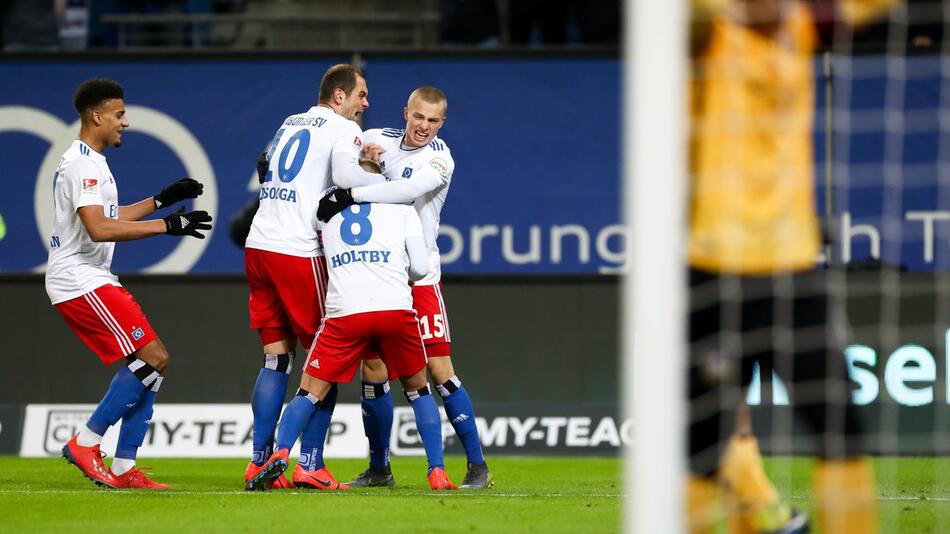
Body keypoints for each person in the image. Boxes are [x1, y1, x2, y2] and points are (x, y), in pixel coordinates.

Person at [686, 1, 897, 532]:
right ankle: (749, 509)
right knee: (701, 447)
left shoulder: (799, 28)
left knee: (841, 429)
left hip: (793, 272)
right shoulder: (710, 36)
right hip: (714, 270)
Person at [317, 86, 493, 489]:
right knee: (373, 369)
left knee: (439, 370)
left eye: (433, 121)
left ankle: (477, 465)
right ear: (406, 113)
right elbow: (343, 143)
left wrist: (352, 193)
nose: (424, 127)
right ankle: (380, 469)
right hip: (379, 274)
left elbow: (405, 192)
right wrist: (360, 158)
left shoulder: (439, 158)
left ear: (442, 123)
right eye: (418, 118)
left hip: (419, 276)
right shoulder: (381, 137)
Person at [50, 78, 211, 489]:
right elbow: (100, 228)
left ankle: (123, 467)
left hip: (92, 276)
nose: (126, 122)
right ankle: (86, 442)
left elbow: (108, 212)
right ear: (96, 115)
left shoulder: (91, 160)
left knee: (152, 365)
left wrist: (160, 200)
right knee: (154, 357)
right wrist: (167, 225)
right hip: (80, 277)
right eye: (119, 115)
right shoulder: (82, 163)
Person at [247, 177, 457, 492]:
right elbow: (419, 267)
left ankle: (280, 454)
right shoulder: (403, 211)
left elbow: (310, 250)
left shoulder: (325, 211)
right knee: (419, 391)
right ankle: (437, 471)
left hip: (346, 312)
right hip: (394, 308)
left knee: (308, 392)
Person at [242, 63, 384, 490]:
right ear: (338, 96)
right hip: (297, 251)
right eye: (361, 94)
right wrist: (377, 172)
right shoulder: (343, 129)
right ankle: (309, 463)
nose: (366, 103)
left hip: (259, 244)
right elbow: (345, 177)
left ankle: (259, 461)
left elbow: (264, 165)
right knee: (329, 357)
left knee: (276, 358)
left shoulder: (290, 122)